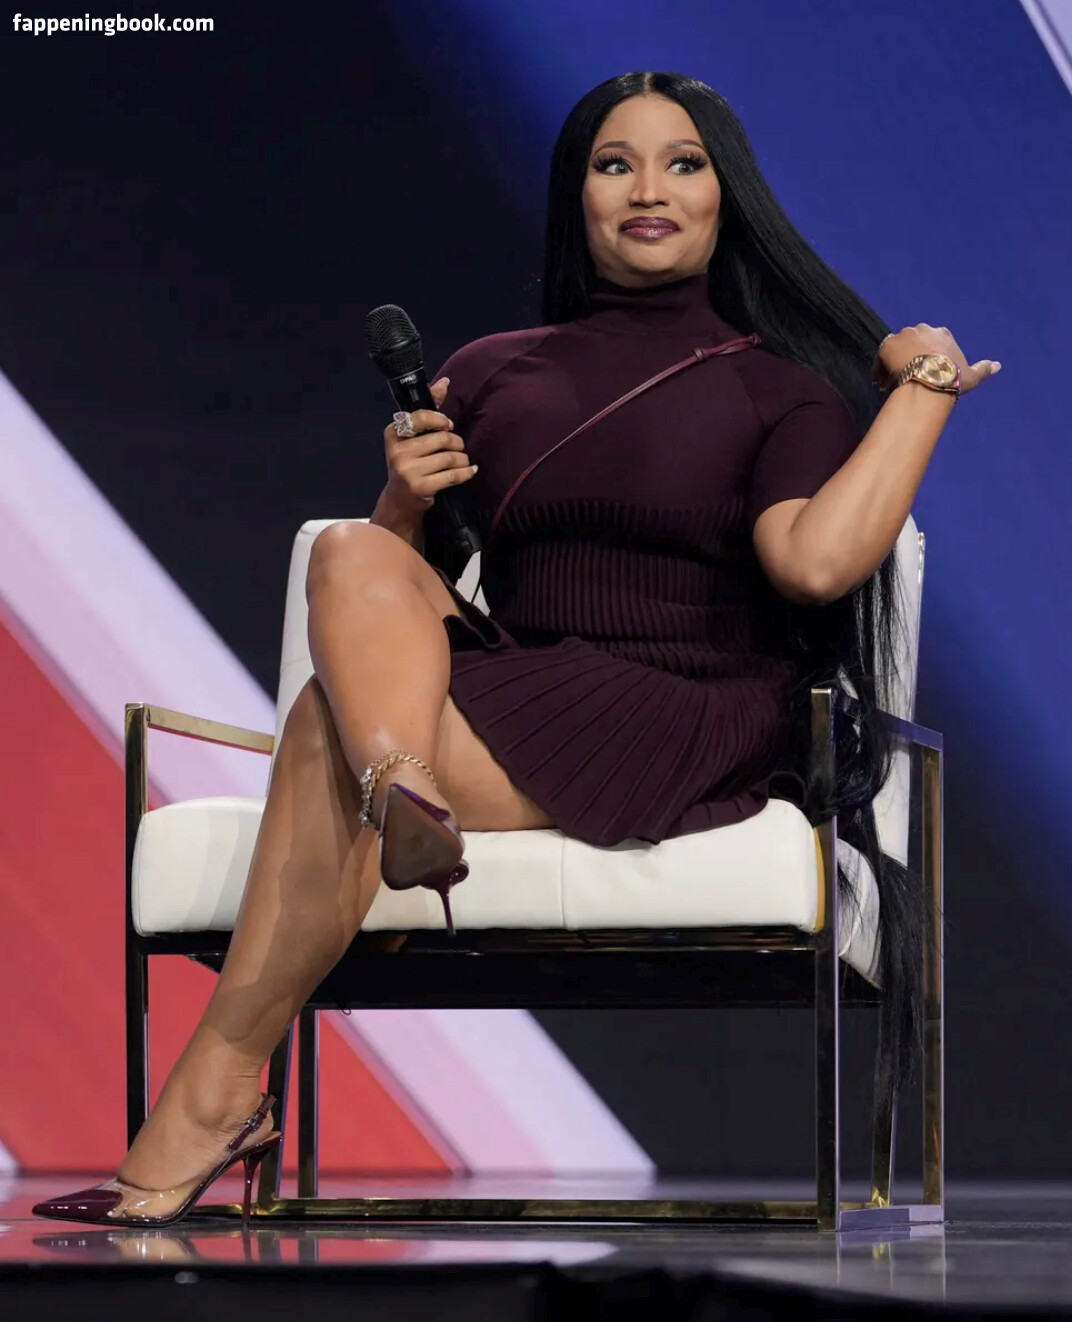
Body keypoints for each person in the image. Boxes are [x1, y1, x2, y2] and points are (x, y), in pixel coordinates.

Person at [35, 70, 999, 1226]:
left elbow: (815, 562)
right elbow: (390, 598)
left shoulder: (778, 389)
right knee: (350, 548)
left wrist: (922, 392)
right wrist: (404, 499)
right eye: (614, 163)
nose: (648, 188)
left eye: (683, 163)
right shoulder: (494, 369)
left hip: (680, 701)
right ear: (576, 195)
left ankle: (221, 1085)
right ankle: (402, 793)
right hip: (517, 677)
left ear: (725, 195)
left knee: (325, 738)